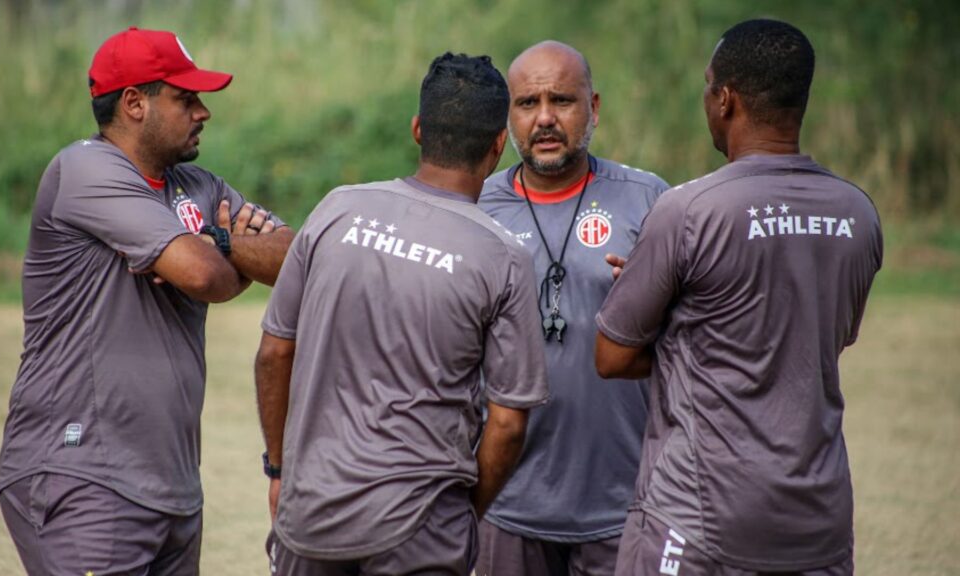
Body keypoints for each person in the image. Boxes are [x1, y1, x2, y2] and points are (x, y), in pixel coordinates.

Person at [0, 27, 293, 575]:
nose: (202, 111)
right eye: (185, 98)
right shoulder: (85, 169)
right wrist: (227, 259)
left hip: (173, 485)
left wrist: (222, 242)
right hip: (83, 473)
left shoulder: (198, 185)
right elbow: (202, 276)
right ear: (134, 102)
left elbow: (298, 260)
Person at [595, 19, 882, 575]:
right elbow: (813, 337)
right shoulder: (859, 214)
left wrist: (666, 312)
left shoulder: (688, 211)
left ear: (725, 99)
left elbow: (612, 356)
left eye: (708, 86)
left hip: (698, 520)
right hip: (818, 518)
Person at [254, 52, 549, 575]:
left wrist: (279, 469)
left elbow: (275, 352)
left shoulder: (336, 209)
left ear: (418, 129)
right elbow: (506, 424)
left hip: (310, 515)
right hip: (422, 531)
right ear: (499, 145)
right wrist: (461, 513)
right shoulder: (502, 256)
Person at [475, 40, 669, 576]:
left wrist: (657, 303)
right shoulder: (476, 206)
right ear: (506, 114)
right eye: (526, 103)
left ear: (594, 107)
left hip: (626, 503)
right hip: (505, 503)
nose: (543, 119)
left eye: (561, 100)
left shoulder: (650, 201)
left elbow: (699, 329)